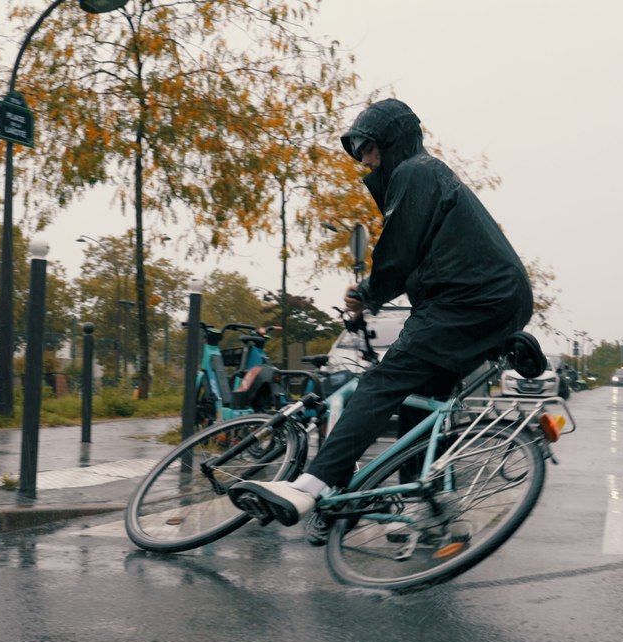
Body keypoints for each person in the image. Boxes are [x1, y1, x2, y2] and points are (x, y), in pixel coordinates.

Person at [227, 98, 534, 543]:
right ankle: (430, 511)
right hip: (491, 299)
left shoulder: (416, 172)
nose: (366, 161)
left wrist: (365, 295)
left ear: (392, 142)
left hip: (470, 299)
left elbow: (397, 252)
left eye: (369, 149)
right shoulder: (430, 176)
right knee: (418, 402)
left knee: (380, 383)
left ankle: (307, 487)